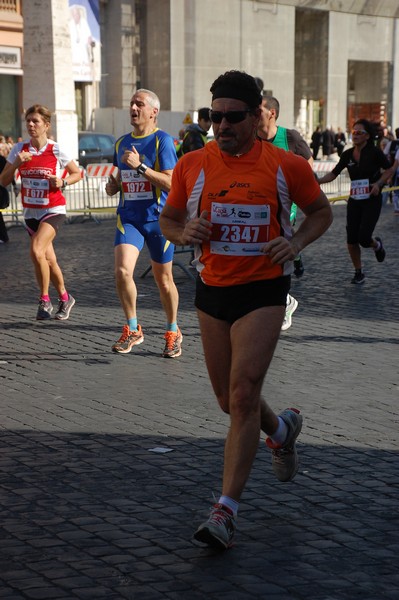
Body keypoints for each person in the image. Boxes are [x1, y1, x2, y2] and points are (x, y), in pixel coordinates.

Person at [159, 70, 333, 550]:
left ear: (257, 117)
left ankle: (224, 511)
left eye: (233, 117)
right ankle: (279, 430)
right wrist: (182, 234)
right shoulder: (192, 164)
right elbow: (169, 219)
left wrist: (294, 242)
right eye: (214, 116)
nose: (222, 125)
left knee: (242, 394)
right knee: (228, 401)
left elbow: (322, 213)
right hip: (213, 290)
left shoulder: (285, 165)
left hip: (263, 291)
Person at [105, 88, 182, 358]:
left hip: (160, 221)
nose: (133, 108)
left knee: (164, 280)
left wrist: (140, 168)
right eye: (131, 104)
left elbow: (172, 183)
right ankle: (133, 328)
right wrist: (114, 186)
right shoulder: (121, 143)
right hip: (130, 219)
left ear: (153, 111)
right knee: (123, 272)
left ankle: (173, 331)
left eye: (139, 104)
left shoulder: (162, 141)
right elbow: (121, 178)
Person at [0, 104, 81, 318]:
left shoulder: (55, 149)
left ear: (46, 125)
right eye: (28, 121)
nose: (30, 125)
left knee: (36, 250)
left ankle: (44, 301)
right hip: (31, 213)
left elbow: (77, 173)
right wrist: (17, 162)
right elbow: (3, 180)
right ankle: (65, 298)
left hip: (53, 209)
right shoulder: (19, 149)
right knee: (48, 259)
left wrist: (62, 181)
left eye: (35, 121)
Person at [258, 94, 314, 329]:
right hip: (257, 205)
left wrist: (297, 191)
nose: (253, 112)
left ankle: (284, 300)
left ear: (272, 113)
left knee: (273, 248)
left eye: (258, 108)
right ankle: (283, 299)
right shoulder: (250, 139)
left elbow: (308, 165)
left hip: (284, 205)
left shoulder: (289, 137)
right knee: (261, 255)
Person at [318, 119, 392, 284]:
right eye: (354, 132)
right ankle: (358, 272)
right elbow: (333, 174)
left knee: (364, 238)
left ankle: (377, 245)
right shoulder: (348, 154)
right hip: (354, 200)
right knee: (351, 239)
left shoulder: (374, 152)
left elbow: (389, 169)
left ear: (367, 136)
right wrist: (317, 182)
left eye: (359, 132)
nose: (355, 135)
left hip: (371, 199)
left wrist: (378, 184)